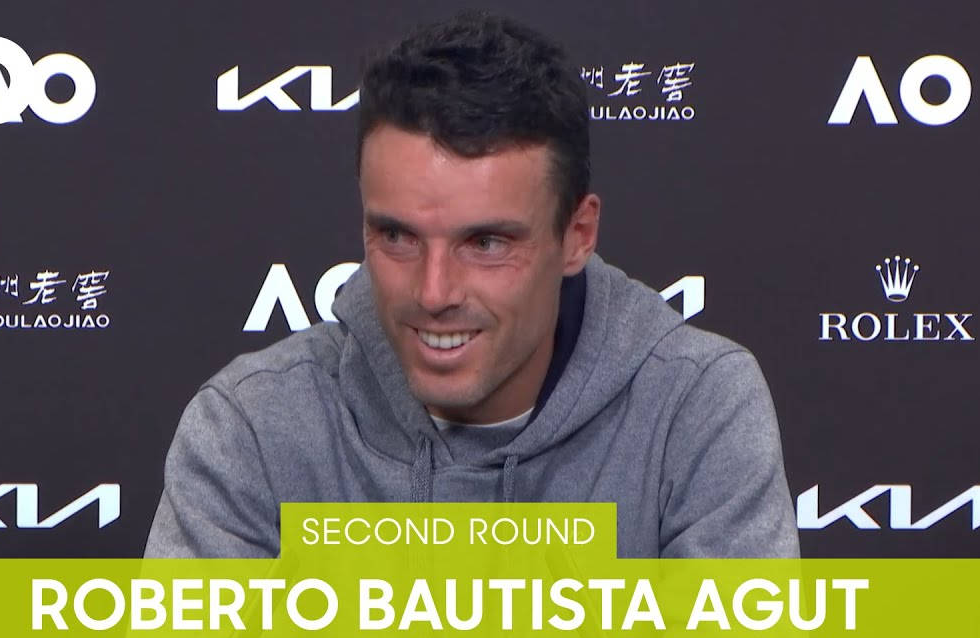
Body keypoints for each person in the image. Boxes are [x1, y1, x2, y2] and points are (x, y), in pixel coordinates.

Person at [145, 11, 799, 559]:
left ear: (577, 234)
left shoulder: (699, 406)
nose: (433, 293)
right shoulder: (251, 423)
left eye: (486, 243)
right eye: (397, 236)